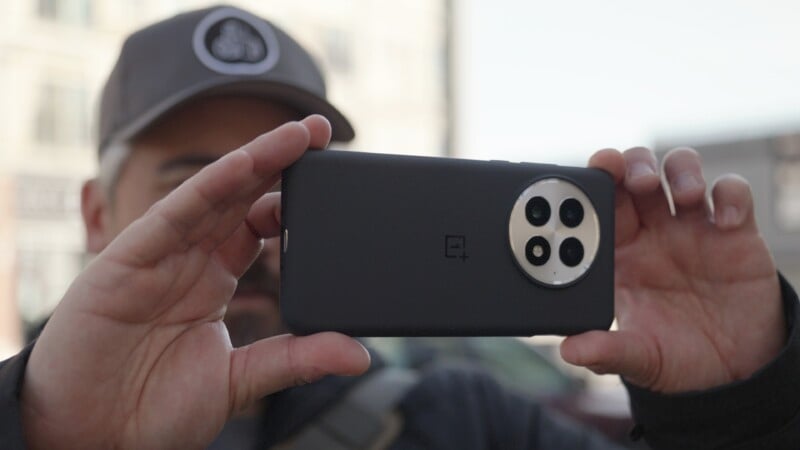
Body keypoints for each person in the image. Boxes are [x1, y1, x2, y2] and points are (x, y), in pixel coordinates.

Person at [1, 5, 798, 449]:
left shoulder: (463, 423)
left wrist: (732, 406)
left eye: (288, 185)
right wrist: (39, 431)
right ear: (97, 214)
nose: (250, 225)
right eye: (200, 186)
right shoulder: (46, 420)